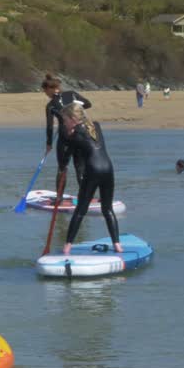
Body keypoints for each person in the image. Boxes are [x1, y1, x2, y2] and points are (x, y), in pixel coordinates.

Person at [57, 102, 120, 255]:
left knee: (80, 211)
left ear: (73, 119)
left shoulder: (74, 135)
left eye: (65, 120)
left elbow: (66, 158)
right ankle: (118, 245)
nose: (64, 123)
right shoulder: (96, 126)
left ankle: (67, 247)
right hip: (108, 169)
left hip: (93, 170)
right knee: (107, 209)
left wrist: (62, 167)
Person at [43, 74, 94, 188]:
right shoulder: (72, 94)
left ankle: (58, 199)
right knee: (80, 166)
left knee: (62, 167)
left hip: (65, 136)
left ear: (50, 89)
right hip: (79, 133)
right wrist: (75, 110)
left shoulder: (50, 106)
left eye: (46, 92)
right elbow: (88, 104)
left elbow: (50, 127)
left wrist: (49, 144)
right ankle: (85, 195)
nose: (46, 95)